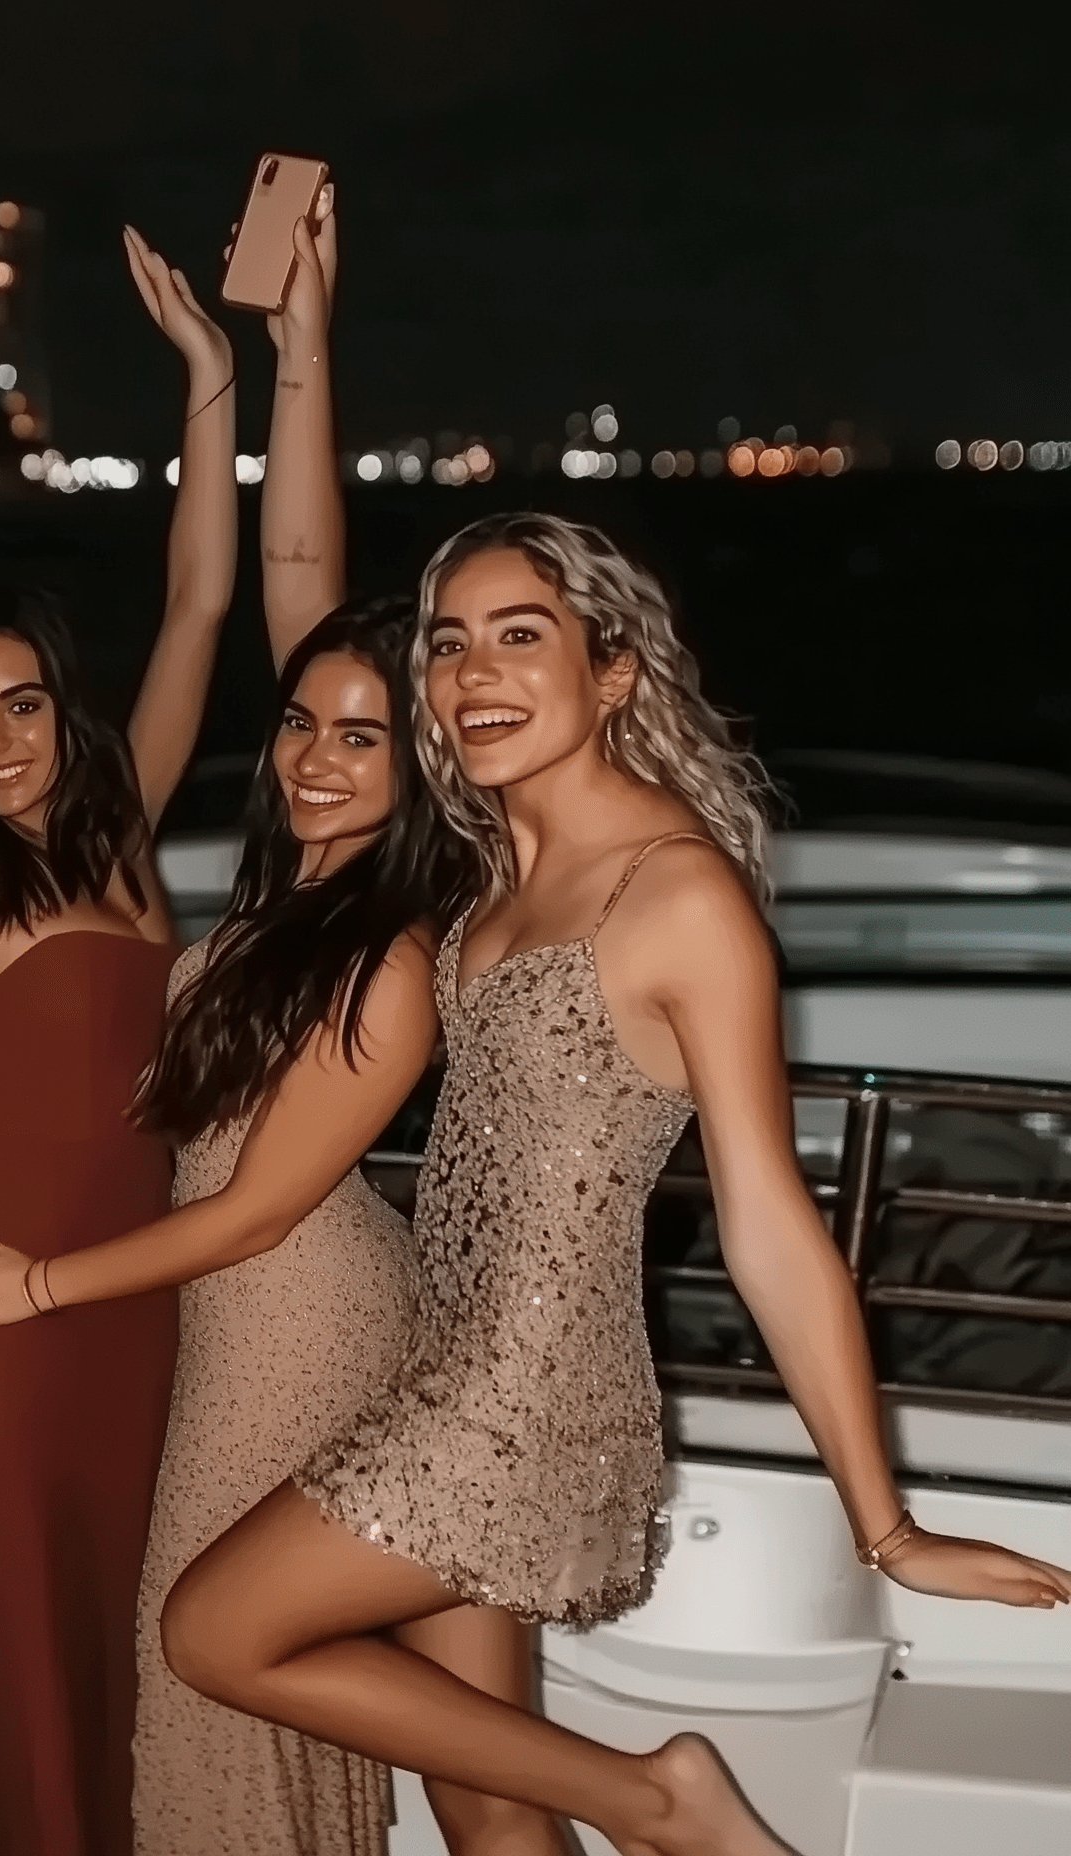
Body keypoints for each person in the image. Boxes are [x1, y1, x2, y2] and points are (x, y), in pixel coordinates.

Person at [154, 506, 1071, 1855]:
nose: (474, 673)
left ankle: (661, 1798)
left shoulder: (677, 896)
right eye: (450, 645)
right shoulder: (487, 860)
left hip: (520, 1408)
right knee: (488, 1806)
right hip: (439, 1371)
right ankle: (640, 1805)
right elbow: (313, 629)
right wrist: (278, 392)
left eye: (520, 637)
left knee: (214, 1631)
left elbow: (770, 1226)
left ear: (614, 669)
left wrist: (885, 1527)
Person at [0, 186, 529, 1856]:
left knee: (219, 1681)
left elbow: (255, 1208)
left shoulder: (388, 934)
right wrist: (267, 357)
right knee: (394, 1729)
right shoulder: (281, 888)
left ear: (425, 764)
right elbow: (287, 582)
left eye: (361, 737)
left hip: (270, 1307)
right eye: (303, 727)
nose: (315, 755)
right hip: (226, 1308)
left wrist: (36, 1284)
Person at [0, 228, 236, 1856]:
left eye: (17, 704)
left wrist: (209, 378)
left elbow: (201, 598)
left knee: (99, 1628)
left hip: (128, 1299)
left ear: (63, 707)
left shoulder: (125, 836)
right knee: (15, 1636)